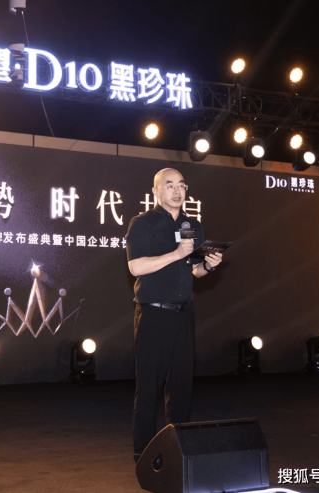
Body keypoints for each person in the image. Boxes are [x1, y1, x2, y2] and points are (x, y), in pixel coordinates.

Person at [125, 168, 222, 463]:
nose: (177, 190)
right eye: (170, 185)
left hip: (184, 315)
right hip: (153, 314)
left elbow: (194, 270)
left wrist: (209, 265)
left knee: (181, 387)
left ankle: (178, 450)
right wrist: (176, 254)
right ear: (156, 191)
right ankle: (143, 454)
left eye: (181, 185)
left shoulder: (193, 225)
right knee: (148, 388)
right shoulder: (143, 223)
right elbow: (136, 267)